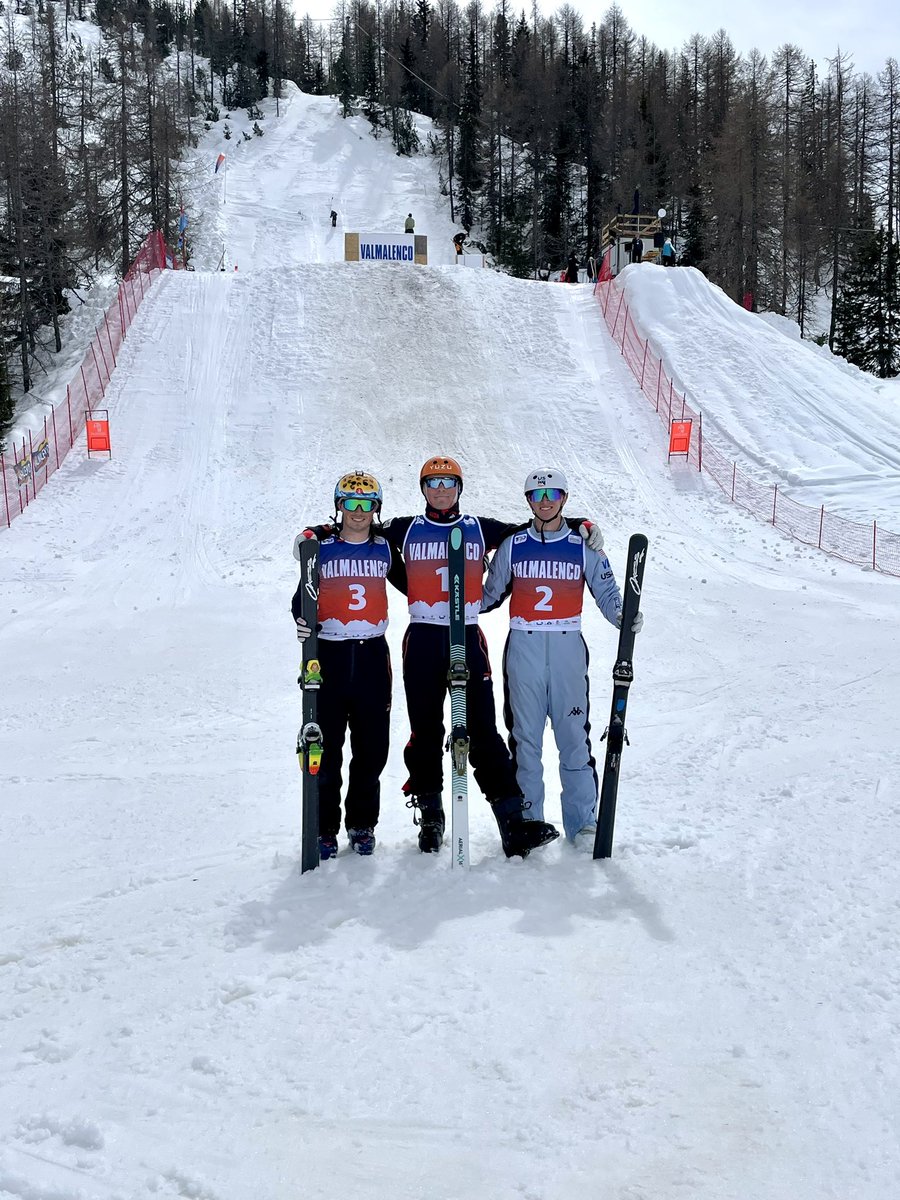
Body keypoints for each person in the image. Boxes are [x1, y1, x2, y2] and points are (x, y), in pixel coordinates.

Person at [376, 458, 605, 859]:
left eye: (449, 483)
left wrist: (582, 523)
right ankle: (431, 814)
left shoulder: (480, 527)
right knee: (425, 729)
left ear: (459, 488)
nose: (441, 490)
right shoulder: (405, 527)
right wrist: (317, 534)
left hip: (465, 632)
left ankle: (513, 822)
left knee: (483, 730)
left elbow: (539, 526)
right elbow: (357, 529)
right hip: (424, 634)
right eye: (433, 483)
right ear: (423, 488)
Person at [482, 469, 644, 852]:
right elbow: (488, 595)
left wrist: (624, 616)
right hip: (525, 644)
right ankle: (529, 818)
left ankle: (583, 821)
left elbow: (606, 590)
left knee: (574, 738)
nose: (545, 500)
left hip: (569, 644)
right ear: (528, 500)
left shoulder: (582, 543)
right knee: (526, 739)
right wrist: (453, 602)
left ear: (564, 498)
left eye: (553, 493)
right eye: (537, 494)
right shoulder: (514, 544)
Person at [292, 472, 407, 861]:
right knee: (327, 747)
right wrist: (302, 620)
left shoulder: (385, 548)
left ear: (376, 509)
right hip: (330, 656)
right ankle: (324, 827)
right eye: (351, 504)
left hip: (373, 654)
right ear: (339, 506)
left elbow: (416, 578)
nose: (358, 512)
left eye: (366, 505)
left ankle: (362, 824)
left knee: (371, 749)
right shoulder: (321, 548)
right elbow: (302, 598)